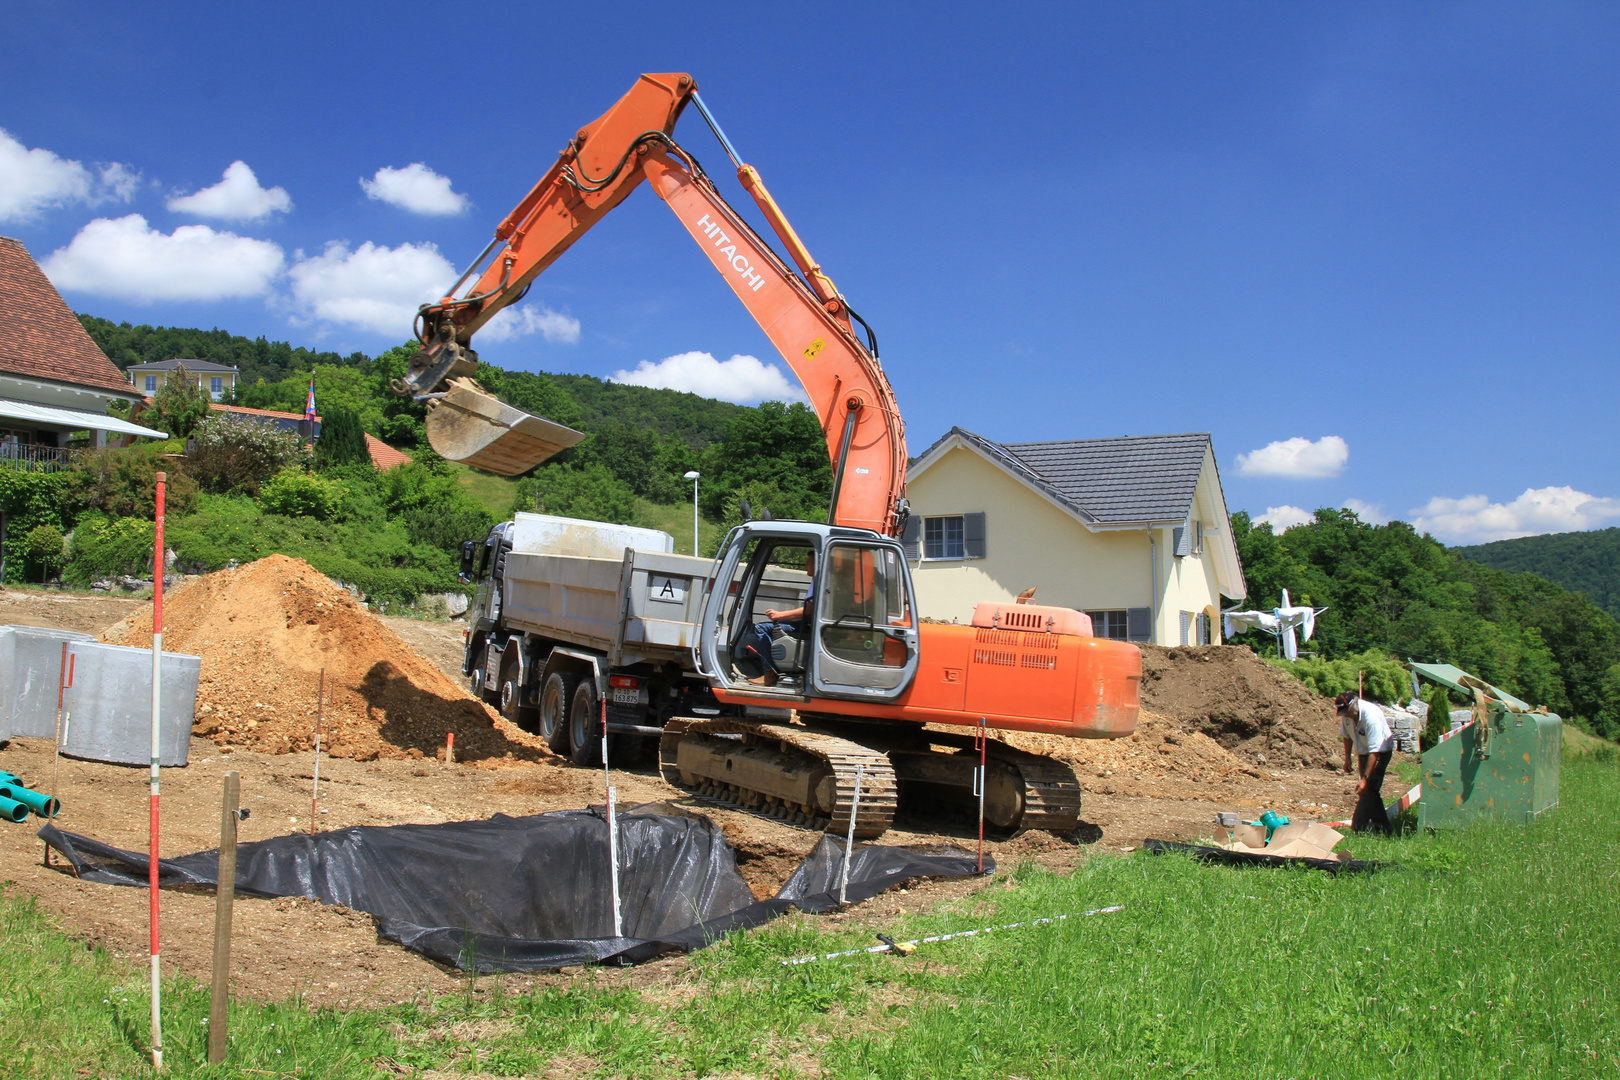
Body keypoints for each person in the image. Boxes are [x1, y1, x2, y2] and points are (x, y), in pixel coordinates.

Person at [736, 551, 815, 687]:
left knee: (761, 628)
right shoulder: (816, 581)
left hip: (807, 625)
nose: (805, 565)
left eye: (808, 562)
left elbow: (809, 610)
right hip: (807, 623)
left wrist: (780, 615)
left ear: (816, 564)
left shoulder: (817, 582)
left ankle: (769, 674)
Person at [1337, 690, 1395, 834]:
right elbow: (1346, 736)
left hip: (1380, 753)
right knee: (1370, 791)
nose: (1345, 715)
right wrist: (1347, 758)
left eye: (1347, 711)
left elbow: (1375, 752)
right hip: (1363, 752)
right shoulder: (1347, 715)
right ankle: (1384, 829)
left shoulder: (1371, 717)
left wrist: (1365, 778)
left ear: (1354, 704)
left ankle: (1358, 828)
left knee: (1369, 788)